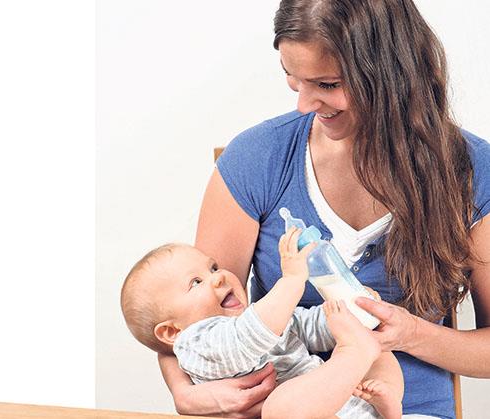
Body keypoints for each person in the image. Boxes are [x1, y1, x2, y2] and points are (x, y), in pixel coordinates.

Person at [157, 0, 490, 418]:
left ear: (391, 74)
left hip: (409, 408)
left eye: (328, 84)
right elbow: (189, 318)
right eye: (293, 80)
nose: (304, 104)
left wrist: (409, 333)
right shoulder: (258, 159)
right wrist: (184, 392)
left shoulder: (473, 173)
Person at [121, 228, 404, 419]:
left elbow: (306, 326)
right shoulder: (196, 344)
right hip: (301, 410)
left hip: (346, 400)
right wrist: (291, 281)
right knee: (278, 408)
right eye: (196, 282)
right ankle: (355, 354)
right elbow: (246, 337)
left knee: (377, 346)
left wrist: (350, 310)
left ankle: (387, 400)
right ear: (172, 331)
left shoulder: (260, 316)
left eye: (213, 268)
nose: (218, 277)